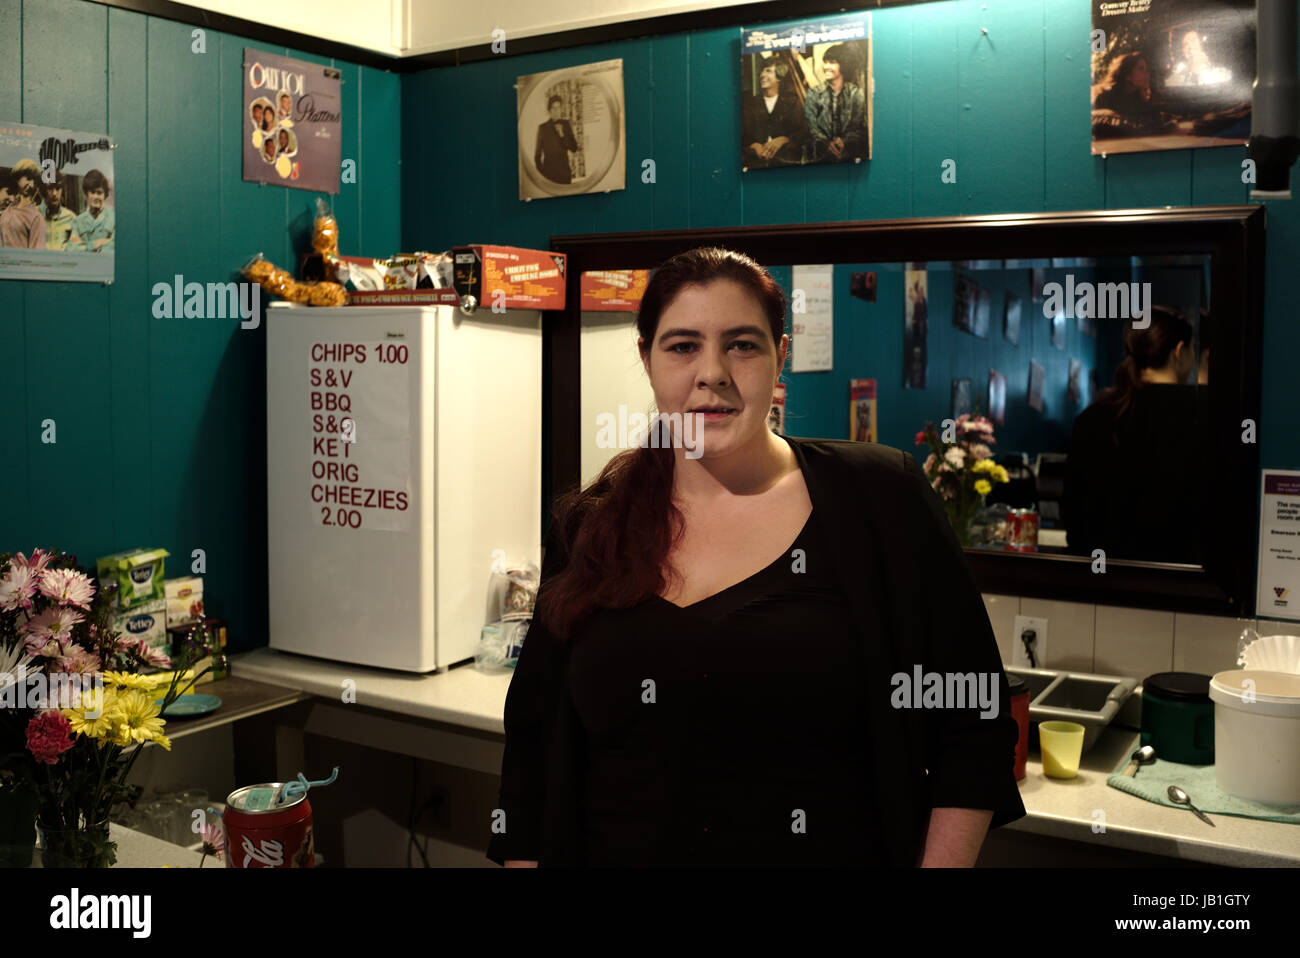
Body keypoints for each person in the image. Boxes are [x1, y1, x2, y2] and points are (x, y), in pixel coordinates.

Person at [487, 247, 1024, 868]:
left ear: (780, 356)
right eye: (682, 345)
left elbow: (974, 725)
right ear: (646, 359)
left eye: (742, 345)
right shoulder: (591, 524)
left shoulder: (879, 498)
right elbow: (531, 747)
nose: (711, 372)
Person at [1064, 307, 1207, 564]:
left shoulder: (1092, 417)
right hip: (1183, 582)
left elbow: (1073, 513)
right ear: (1179, 351)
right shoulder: (1201, 415)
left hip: (1099, 579)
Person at [804, 44, 867, 163]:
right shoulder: (814, 93)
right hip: (820, 157)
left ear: (843, 65)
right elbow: (811, 128)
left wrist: (844, 141)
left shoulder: (855, 93)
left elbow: (858, 127)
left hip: (850, 155)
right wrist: (827, 144)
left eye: (832, 62)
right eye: (825, 62)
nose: (826, 67)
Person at [741, 61, 808, 168]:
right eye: (762, 71)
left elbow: (803, 132)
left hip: (784, 164)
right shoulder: (750, 103)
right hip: (755, 164)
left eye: (768, 71)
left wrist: (785, 139)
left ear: (779, 78)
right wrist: (753, 145)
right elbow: (742, 134)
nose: (762, 74)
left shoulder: (793, 102)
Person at [0, 160, 47, 249]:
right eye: (28, 178)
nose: (31, 184)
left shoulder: (36, 217)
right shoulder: (8, 209)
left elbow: (36, 254)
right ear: (18, 177)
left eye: (34, 181)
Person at [534, 94, 578, 184]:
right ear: (549, 111)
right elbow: (537, 156)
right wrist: (543, 175)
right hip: (549, 176)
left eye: (558, 108)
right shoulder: (542, 128)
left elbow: (574, 148)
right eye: (554, 108)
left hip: (565, 175)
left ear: (561, 109)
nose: (556, 111)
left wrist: (563, 136)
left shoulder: (566, 124)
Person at [69, 169, 113, 252]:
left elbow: (113, 248)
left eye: (99, 193)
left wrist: (84, 246)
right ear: (86, 194)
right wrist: (96, 243)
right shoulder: (78, 222)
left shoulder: (114, 219)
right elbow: (72, 249)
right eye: (92, 192)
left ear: (105, 195)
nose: (96, 197)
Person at [41, 172, 80, 251]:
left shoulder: (71, 217)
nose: (54, 193)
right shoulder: (34, 215)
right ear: (44, 190)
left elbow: (76, 248)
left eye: (58, 188)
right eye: (50, 188)